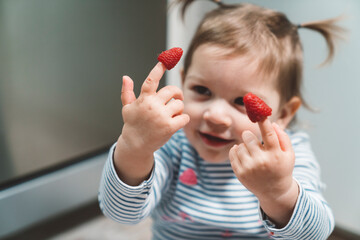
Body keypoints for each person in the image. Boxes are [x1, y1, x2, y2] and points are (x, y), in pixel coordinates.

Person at [98, 0, 345, 239]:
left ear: (283, 114)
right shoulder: (171, 143)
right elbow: (121, 213)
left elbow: (315, 234)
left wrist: (278, 192)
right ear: (183, 81)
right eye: (202, 90)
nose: (215, 116)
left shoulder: (286, 157)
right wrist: (135, 148)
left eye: (241, 102)